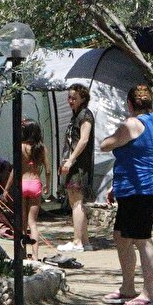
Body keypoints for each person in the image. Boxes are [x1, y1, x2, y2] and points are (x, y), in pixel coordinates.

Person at [99, 84, 153, 305]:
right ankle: (128, 287)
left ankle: (149, 294)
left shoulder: (131, 124)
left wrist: (110, 137)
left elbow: (106, 145)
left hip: (141, 189)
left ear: (129, 104)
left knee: (142, 239)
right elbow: (135, 155)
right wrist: (115, 186)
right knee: (121, 236)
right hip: (133, 187)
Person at [58, 83, 94, 253]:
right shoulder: (75, 116)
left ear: (83, 99)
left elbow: (84, 140)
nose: (70, 101)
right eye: (69, 97)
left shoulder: (85, 115)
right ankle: (85, 242)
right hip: (72, 163)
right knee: (75, 200)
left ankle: (77, 241)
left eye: (74, 98)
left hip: (80, 166)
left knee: (76, 201)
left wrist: (71, 160)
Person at [20, 120, 49, 259]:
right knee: (33, 223)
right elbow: (48, 170)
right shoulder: (41, 148)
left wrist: (7, 189)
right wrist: (47, 185)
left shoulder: (21, 147)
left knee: (23, 223)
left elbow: (16, 170)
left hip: (23, 183)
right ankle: (36, 256)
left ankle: (22, 254)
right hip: (35, 184)